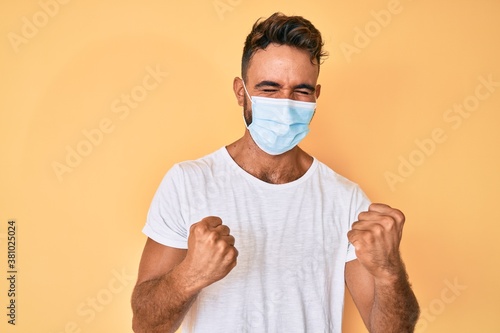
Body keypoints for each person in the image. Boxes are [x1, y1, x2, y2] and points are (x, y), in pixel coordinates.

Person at [131, 12, 420, 333]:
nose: (285, 103)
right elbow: (146, 325)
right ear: (241, 92)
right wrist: (191, 274)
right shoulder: (188, 182)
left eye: (301, 91)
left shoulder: (347, 199)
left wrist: (389, 270)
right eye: (269, 89)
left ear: (316, 96)